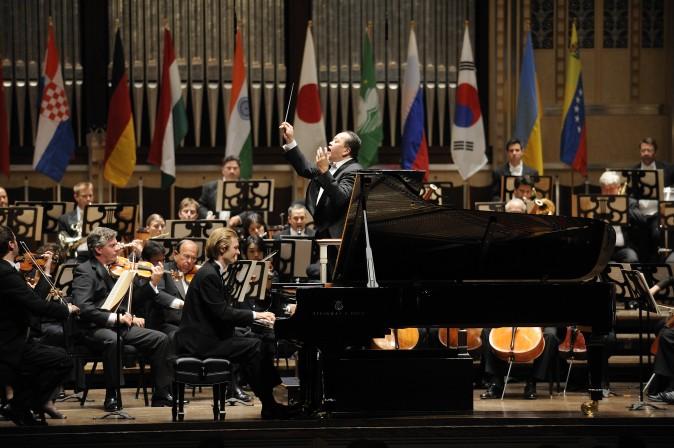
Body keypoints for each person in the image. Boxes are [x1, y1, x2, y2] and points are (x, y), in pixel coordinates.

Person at [175, 227, 292, 419]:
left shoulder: (214, 272)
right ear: (222, 248)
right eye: (235, 248)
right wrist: (256, 315)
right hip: (201, 343)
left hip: (208, 336)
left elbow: (222, 307)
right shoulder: (209, 275)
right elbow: (222, 313)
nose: (238, 252)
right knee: (254, 346)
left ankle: (269, 402)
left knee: (255, 341)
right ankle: (270, 403)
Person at [70, 227, 173, 411]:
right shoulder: (84, 271)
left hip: (118, 325)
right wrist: (114, 317)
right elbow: (83, 307)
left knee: (161, 339)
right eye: (113, 245)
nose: (118, 248)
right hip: (92, 328)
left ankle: (161, 393)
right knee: (112, 340)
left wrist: (151, 286)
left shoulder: (114, 268)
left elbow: (128, 299)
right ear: (99, 249)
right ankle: (112, 395)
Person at [0, 225, 79, 426]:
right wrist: (65, 310)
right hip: (9, 345)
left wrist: (45, 271)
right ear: (11, 244)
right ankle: (20, 405)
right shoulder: (6, 273)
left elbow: (32, 300)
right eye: (16, 240)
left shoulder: (8, 271)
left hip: (16, 340)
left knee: (46, 359)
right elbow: (35, 305)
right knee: (62, 361)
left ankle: (22, 408)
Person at [278, 122, 362, 239]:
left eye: (336, 141)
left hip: (338, 237)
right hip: (322, 231)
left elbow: (341, 198)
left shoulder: (354, 170)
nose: (330, 143)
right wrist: (290, 140)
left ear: (346, 151)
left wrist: (324, 171)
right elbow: (305, 169)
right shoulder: (329, 167)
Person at [141, 239, 198, 336]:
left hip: (193, 323)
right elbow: (158, 293)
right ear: (175, 254)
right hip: (169, 324)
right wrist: (182, 304)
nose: (189, 261)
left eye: (193, 258)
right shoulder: (163, 269)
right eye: (186, 256)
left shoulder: (197, 273)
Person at [631, 137, 670, 262]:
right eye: (643, 150)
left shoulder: (667, 169)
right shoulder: (634, 171)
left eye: (649, 150)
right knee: (639, 240)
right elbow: (629, 195)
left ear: (655, 152)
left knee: (656, 234)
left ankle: (658, 266)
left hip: (658, 213)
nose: (646, 153)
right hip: (640, 214)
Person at [598, 171, 639, 263]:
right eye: (605, 189)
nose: (608, 193)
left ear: (618, 188)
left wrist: (622, 208)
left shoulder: (630, 203)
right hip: (602, 249)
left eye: (611, 189)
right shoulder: (596, 204)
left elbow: (641, 220)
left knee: (632, 258)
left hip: (623, 248)